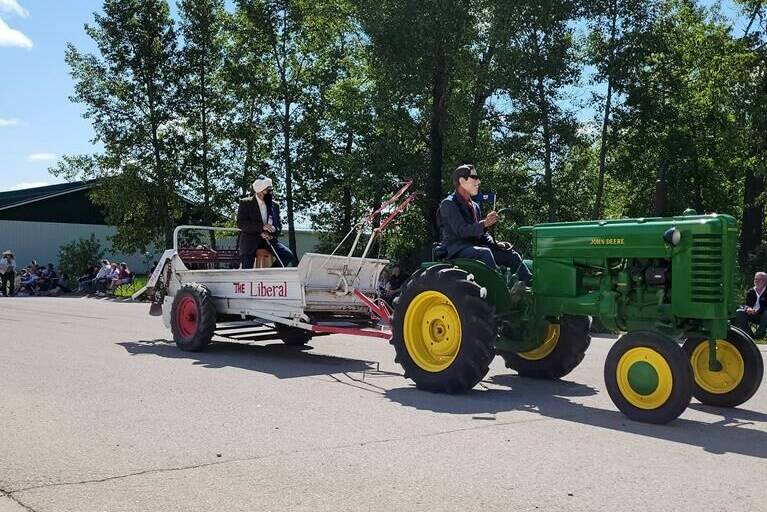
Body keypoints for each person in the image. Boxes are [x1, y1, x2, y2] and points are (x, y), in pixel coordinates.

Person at [438, 164, 532, 289]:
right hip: (456, 249)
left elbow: (481, 235)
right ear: (462, 181)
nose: (478, 181)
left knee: (511, 255)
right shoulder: (449, 203)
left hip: (475, 248)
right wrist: (485, 223)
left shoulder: (475, 206)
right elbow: (462, 230)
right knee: (485, 253)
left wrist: (496, 244)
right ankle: (503, 292)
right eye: (474, 178)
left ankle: (530, 286)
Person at [237, 176, 296, 268]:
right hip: (250, 240)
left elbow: (279, 226)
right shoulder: (246, 203)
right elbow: (241, 223)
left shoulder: (274, 205)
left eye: (271, 190)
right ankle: (248, 282)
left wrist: (273, 231)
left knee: (287, 255)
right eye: (268, 191)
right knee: (247, 266)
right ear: (259, 191)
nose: (271, 193)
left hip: (269, 240)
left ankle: (270, 275)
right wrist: (262, 227)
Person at [734, 271, 767, 339]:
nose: (756, 281)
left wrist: (756, 311)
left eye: (759, 279)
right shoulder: (751, 291)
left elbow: (765, 307)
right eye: (755, 279)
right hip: (752, 314)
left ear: (764, 281)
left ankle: (759, 335)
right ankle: (749, 336)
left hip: (763, 316)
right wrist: (748, 309)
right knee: (739, 312)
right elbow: (747, 304)